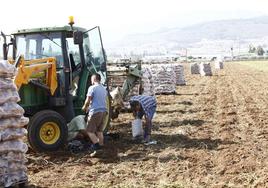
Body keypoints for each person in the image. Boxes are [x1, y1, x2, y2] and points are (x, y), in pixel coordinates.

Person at [82, 73, 107, 154]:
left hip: (95, 112)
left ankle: (96, 146)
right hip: (104, 112)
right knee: (99, 131)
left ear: (94, 79)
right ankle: (102, 146)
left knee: (89, 131)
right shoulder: (104, 89)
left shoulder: (92, 88)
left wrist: (84, 107)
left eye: (91, 79)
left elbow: (88, 100)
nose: (91, 81)